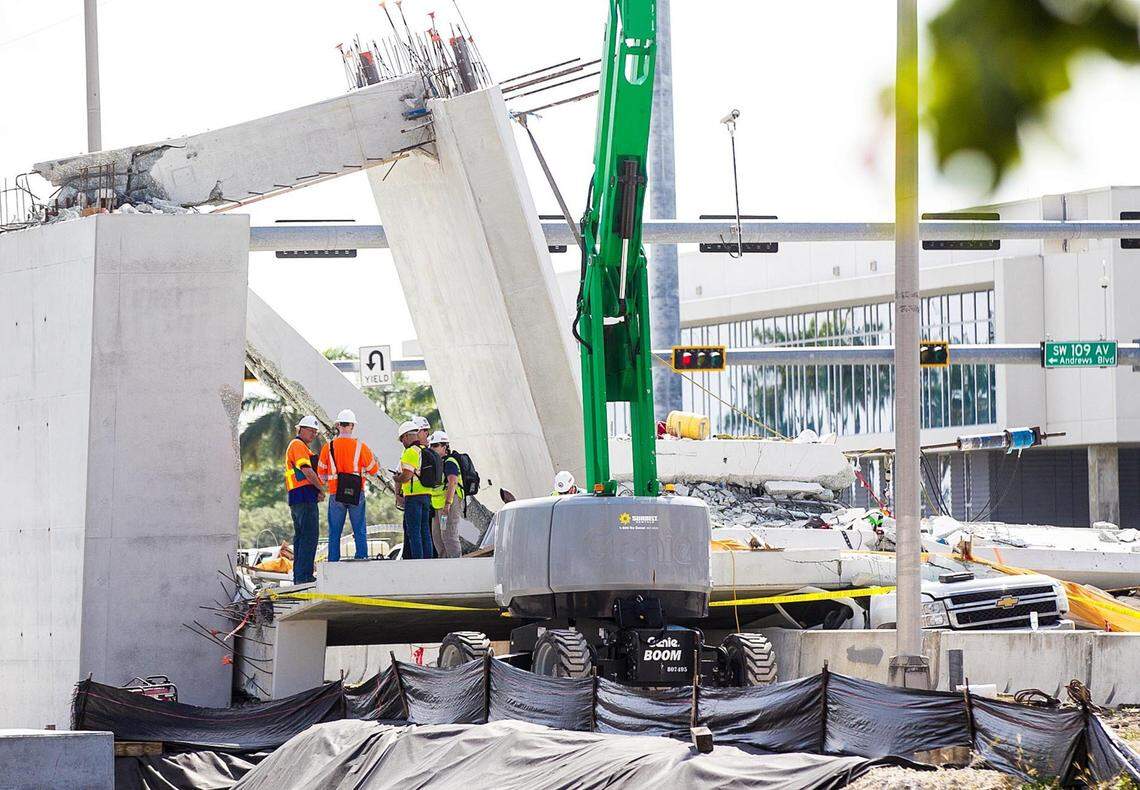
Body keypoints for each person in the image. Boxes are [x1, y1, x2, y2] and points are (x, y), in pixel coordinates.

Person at [317, 409, 381, 561]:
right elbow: (374, 470)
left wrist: (330, 479)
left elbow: (321, 474)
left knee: (335, 531)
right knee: (359, 528)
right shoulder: (361, 446)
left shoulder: (328, 447)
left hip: (335, 493)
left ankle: (333, 560)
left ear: (338, 425)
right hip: (356, 492)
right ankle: (361, 556)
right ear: (352, 426)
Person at [285, 415, 326, 584]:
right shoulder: (298, 445)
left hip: (300, 496)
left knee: (302, 538)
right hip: (303, 496)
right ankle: (304, 576)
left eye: (315, 432)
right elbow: (307, 471)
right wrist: (321, 488)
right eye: (311, 431)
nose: (313, 434)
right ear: (300, 429)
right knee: (309, 536)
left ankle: (300, 576)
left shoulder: (300, 446)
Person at [394, 420, 434, 559]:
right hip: (427, 496)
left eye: (401, 439)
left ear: (406, 436)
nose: (402, 443)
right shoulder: (426, 450)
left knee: (414, 532)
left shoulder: (410, 452)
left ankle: (418, 562)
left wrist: (397, 479)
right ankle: (427, 560)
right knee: (425, 531)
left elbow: (407, 476)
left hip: (413, 497)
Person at [427, 431, 463, 558]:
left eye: (435, 445)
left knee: (449, 536)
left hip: (448, 504)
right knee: (438, 537)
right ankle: (444, 566)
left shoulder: (449, 461)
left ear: (444, 446)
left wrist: (447, 504)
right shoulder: (437, 463)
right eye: (430, 445)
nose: (432, 448)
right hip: (438, 505)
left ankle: (456, 564)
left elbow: (453, 482)